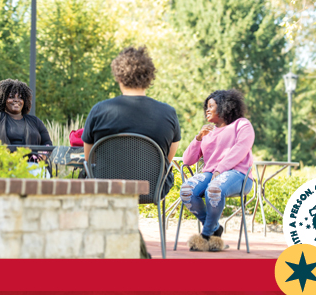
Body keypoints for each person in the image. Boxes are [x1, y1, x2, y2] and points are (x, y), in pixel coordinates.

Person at [82, 46, 181, 259]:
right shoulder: (168, 113)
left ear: (118, 76)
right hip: (150, 187)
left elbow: (89, 157)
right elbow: (166, 158)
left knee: (85, 174)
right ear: (149, 77)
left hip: (106, 186)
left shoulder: (100, 110)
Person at [181, 89, 254, 252]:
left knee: (214, 189)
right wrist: (198, 137)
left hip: (239, 175)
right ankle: (215, 229)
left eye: (211, 106)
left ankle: (206, 236)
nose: (207, 110)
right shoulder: (208, 131)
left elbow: (241, 147)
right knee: (187, 190)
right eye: (206, 107)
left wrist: (220, 169)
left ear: (224, 106)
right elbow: (187, 160)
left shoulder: (241, 124)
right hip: (211, 174)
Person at [0, 79, 52, 159]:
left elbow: (48, 144)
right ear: (3, 99)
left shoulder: (35, 121)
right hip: (3, 166)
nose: (16, 100)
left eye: (20, 97)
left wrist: (43, 156)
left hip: (32, 166)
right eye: (11, 97)